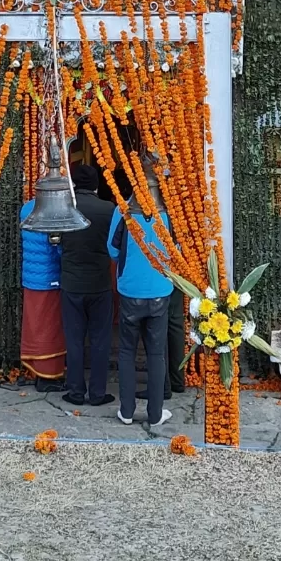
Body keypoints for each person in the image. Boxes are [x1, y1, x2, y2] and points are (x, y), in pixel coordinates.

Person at [108, 180, 173, 431]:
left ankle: (126, 411)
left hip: (129, 291)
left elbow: (112, 250)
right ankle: (155, 413)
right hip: (160, 291)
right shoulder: (169, 214)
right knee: (156, 354)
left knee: (126, 351)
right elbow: (176, 249)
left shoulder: (122, 213)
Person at [58, 164, 116, 407]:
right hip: (100, 283)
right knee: (101, 339)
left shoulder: (64, 209)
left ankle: (75, 391)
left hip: (71, 282)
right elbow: (115, 244)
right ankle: (98, 392)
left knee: (74, 339)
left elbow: (57, 241)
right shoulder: (109, 209)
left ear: (74, 186)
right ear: (96, 185)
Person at [19, 194, 65, 389]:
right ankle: (48, 376)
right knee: (50, 329)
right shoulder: (55, 211)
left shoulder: (27, 208)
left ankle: (37, 371)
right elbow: (58, 248)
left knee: (35, 326)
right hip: (50, 278)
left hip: (31, 278)